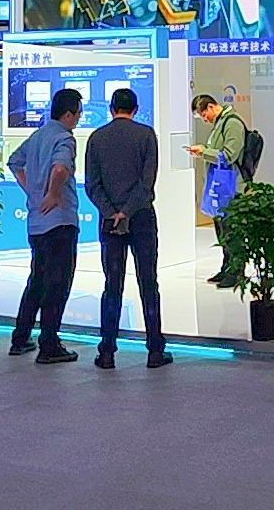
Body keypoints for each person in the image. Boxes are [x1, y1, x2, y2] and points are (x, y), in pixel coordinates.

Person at [86, 87, 169, 370]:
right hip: (142, 217)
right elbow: (147, 183)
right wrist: (128, 211)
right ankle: (155, 350)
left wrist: (113, 213)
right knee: (148, 282)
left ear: (111, 109)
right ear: (135, 109)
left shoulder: (97, 138)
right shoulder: (146, 135)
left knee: (112, 284)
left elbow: (92, 185)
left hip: (109, 221)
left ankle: (107, 352)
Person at [7, 86, 82, 364]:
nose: (79, 118)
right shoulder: (64, 138)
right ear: (68, 114)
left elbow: (14, 162)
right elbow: (60, 168)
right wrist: (52, 193)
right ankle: (49, 344)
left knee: (37, 280)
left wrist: (32, 191)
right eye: (78, 113)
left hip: (36, 222)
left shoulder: (38, 136)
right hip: (59, 220)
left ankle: (20, 338)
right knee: (58, 283)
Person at [188, 93, 248, 288]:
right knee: (222, 231)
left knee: (232, 231)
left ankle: (237, 271)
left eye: (204, 115)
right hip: (220, 188)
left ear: (211, 107)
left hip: (231, 187)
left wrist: (204, 152)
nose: (205, 120)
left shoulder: (232, 123)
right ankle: (227, 267)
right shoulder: (220, 124)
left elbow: (229, 155)